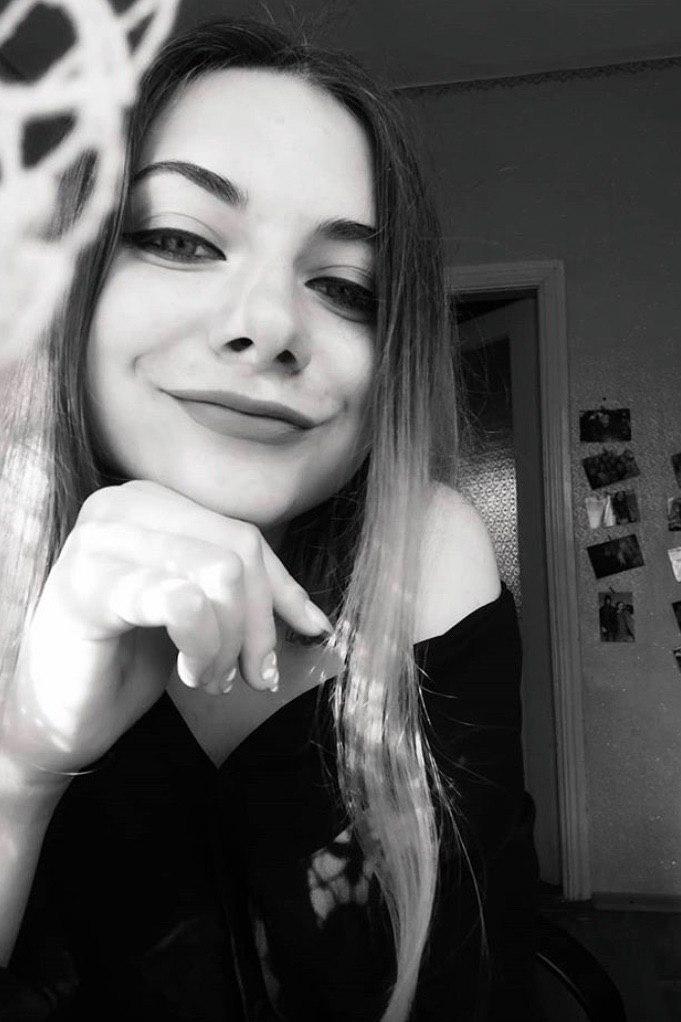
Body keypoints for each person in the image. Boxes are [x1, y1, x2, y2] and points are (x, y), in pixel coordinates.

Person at [0, 18, 542, 1022]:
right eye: (179, 239)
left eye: (345, 287)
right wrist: (23, 768)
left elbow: (467, 977)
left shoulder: (426, 554)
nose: (271, 325)